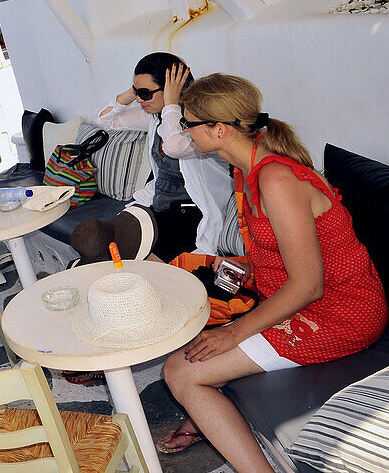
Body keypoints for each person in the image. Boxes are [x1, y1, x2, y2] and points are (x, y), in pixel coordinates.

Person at [160, 74, 386, 469]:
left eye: (187, 123)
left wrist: (234, 333)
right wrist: (242, 271)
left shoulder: (276, 180)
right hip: (297, 297)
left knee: (180, 371)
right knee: (188, 304)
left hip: (340, 313)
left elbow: (309, 285)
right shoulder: (246, 167)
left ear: (219, 129)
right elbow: (281, 250)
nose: (184, 132)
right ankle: (204, 413)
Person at [70, 53, 233, 264]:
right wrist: (134, 92)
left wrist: (171, 104)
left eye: (145, 93)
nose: (139, 100)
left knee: (135, 268)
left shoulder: (201, 124)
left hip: (191, 214)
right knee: (102, 247)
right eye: (137, 92)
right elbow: (103, 120)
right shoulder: (154, 118)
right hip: (159, 208)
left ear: (172, 89)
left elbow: (175, 146)